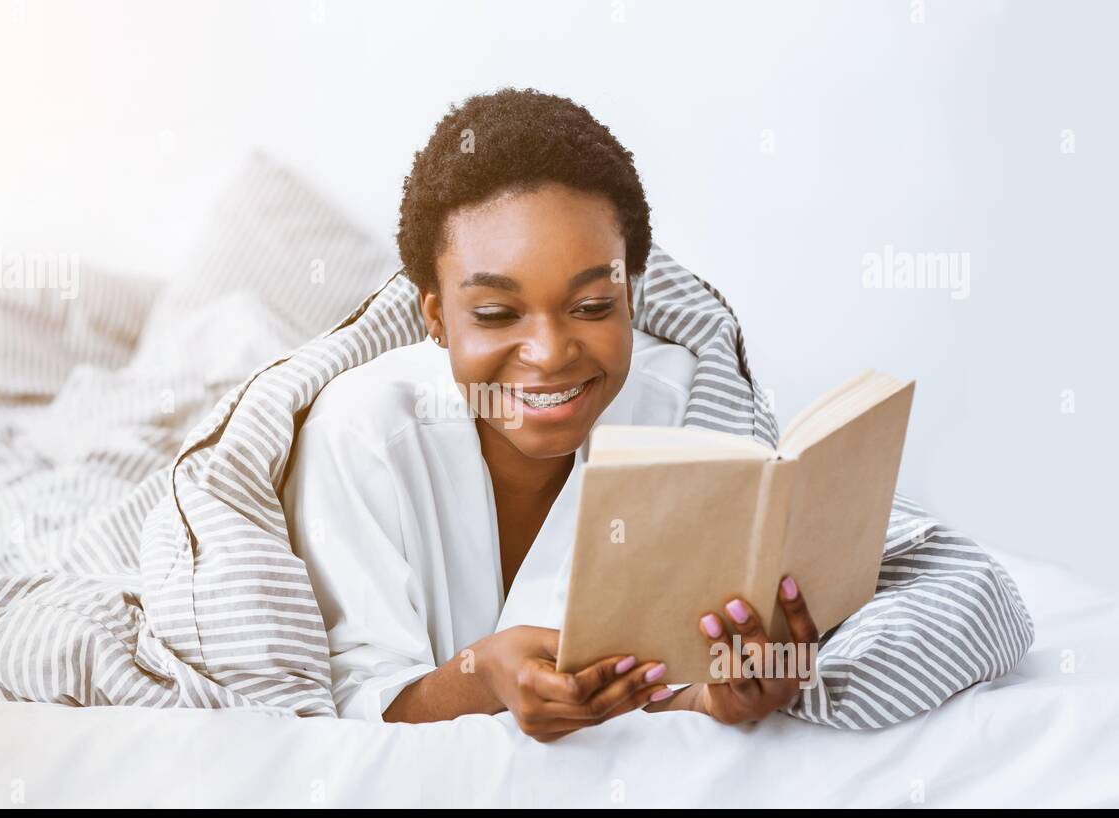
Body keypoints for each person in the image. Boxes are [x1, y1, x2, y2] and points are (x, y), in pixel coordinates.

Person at [280, 88, 1009, 741]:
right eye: (498, 313)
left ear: (631, 295)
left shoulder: (685, 408)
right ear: (437, 317)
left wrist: (720, 698)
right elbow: (349, 709)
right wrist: (483, 677)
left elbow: (663, 675)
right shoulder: (363, 432)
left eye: (592, 306)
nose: (549, 354)